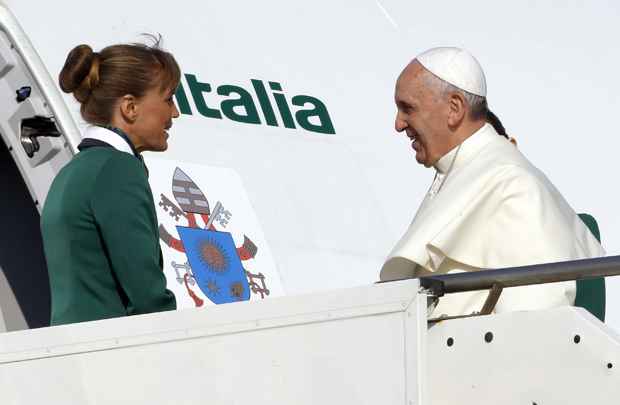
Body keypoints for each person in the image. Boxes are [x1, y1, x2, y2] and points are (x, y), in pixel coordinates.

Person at [380, 47, 604, 317]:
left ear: (454, 109)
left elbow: (534, 323)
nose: (398, 124)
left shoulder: (512, 186)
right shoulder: (461, 173)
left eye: (408, 108)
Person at [41, 39, 180, 325]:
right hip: (115, 356)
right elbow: (147, 295)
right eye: (168, 99)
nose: (175, 113)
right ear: (130, 107)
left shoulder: (74, 171)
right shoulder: (117, 170)